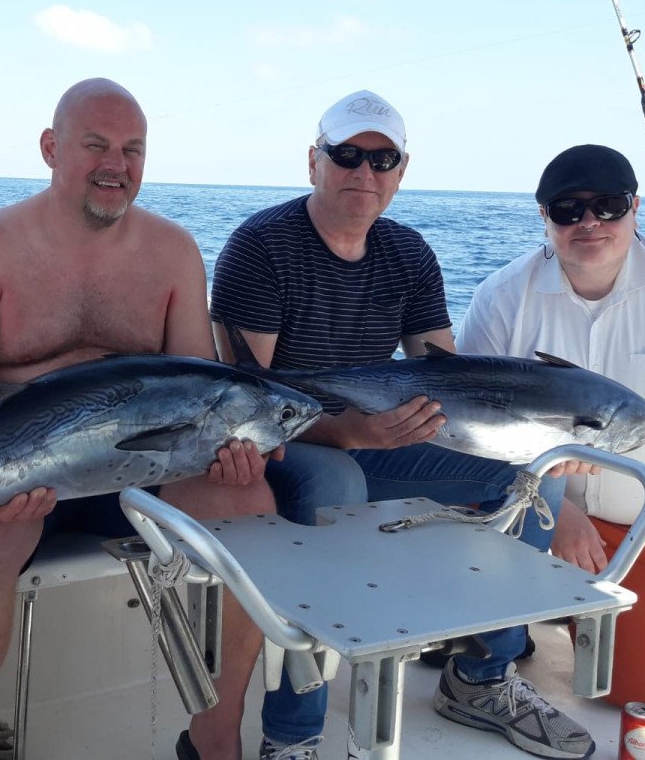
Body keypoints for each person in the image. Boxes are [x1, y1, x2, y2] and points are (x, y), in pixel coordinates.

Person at [211, 90, 587, 760]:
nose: (365, 172)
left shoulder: (408, 252)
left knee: (536, 478)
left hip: (378, 434)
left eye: (382, 159)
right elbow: (245, 401)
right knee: (334, 486)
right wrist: (350, 432)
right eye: (347, 155)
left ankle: (481, 677)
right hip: (289, 444)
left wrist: (537, 425)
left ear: (402, 171)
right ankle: (292, 735)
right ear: (313, 161)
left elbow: (445, 375)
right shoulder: (260, 246)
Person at [0, 77, 276, 760]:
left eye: (132, 149)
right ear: (52, 148)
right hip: (26, 474)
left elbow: (202, 391)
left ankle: (216, 737)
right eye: (96, 146)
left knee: (250, 501)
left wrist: (233, 449)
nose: (116, 165)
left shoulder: (173, 252)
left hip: (143, 472)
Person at [460, 144, 645, 709]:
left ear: (636, 207)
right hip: (530, 512)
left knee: (632, 691)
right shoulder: (502, 297)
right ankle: (514, 616)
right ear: (544, 217)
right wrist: (561, 513)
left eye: (609, 206)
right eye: (568, 210)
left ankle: (542, 610)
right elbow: (469, 428)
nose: (589, 223)